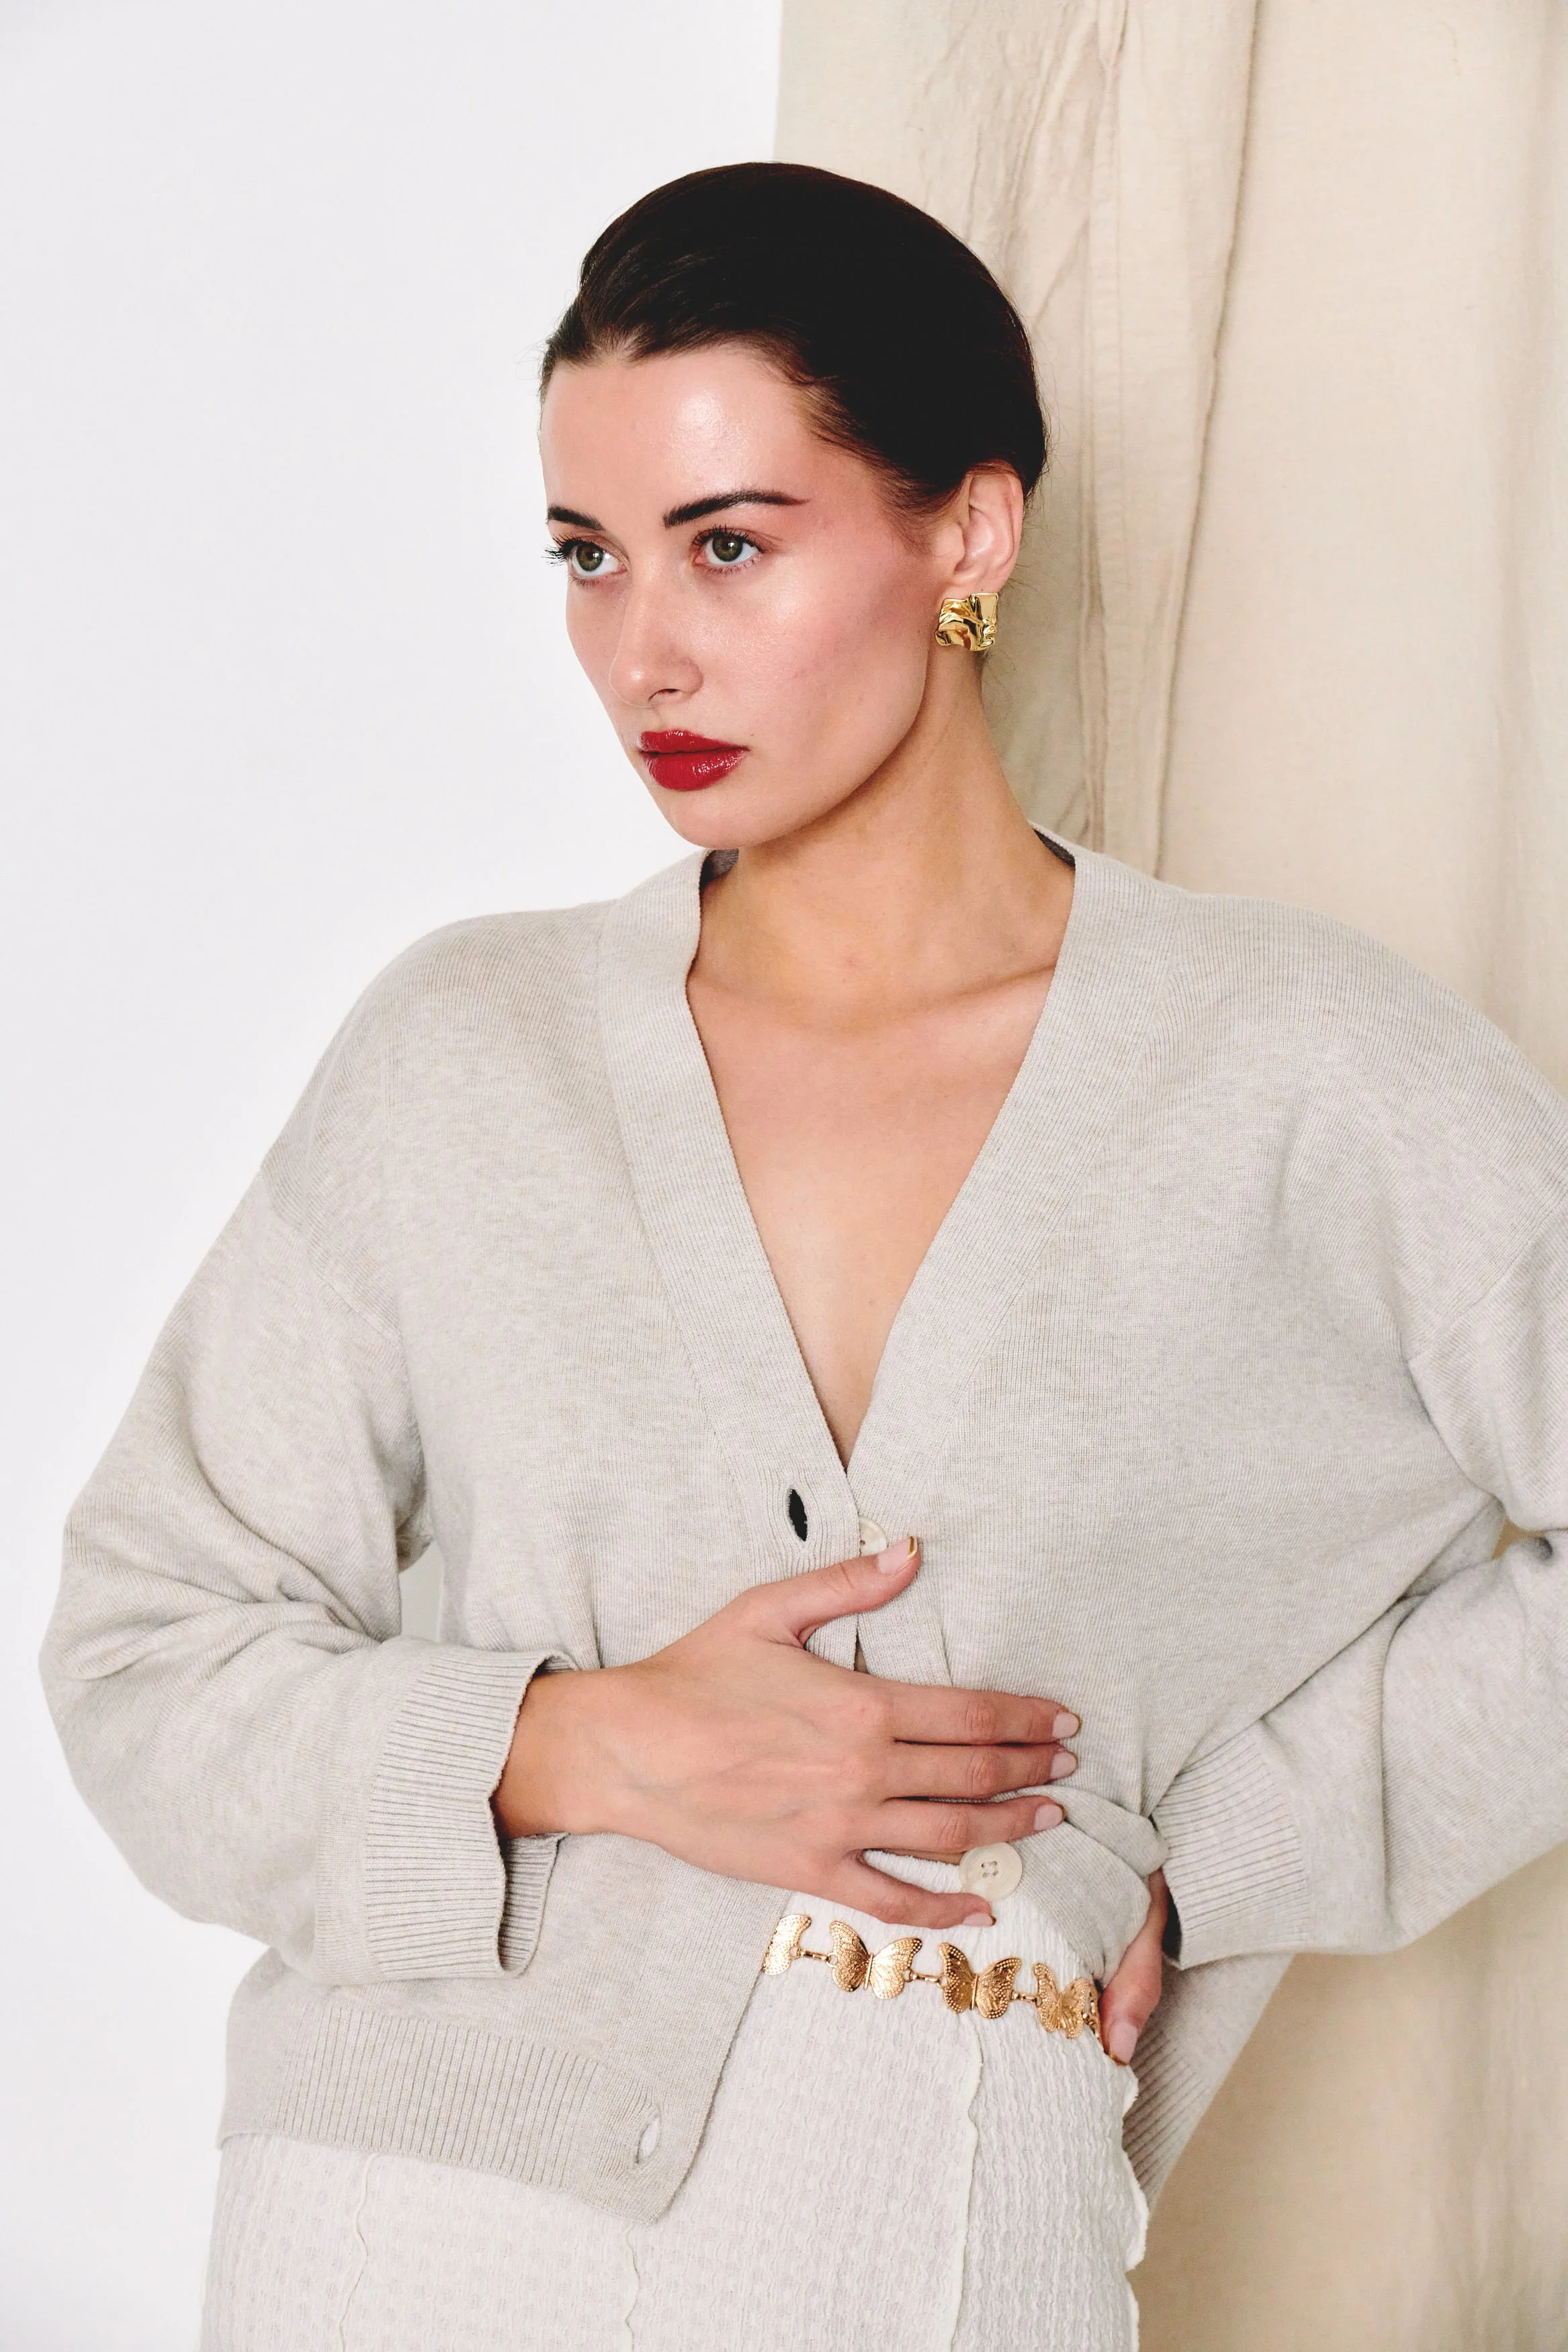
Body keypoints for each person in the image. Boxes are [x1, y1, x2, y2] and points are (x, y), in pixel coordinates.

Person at [42, 162, 1568, 2351]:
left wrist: (1205, 1857)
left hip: (931, 2217)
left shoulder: (1300, 1065)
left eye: (728, 544)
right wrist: (580, 1744)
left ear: (966, 531)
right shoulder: (468, 1051)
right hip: (394, 2216)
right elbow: (145, 1653)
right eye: (586, 557)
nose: (638, 649)